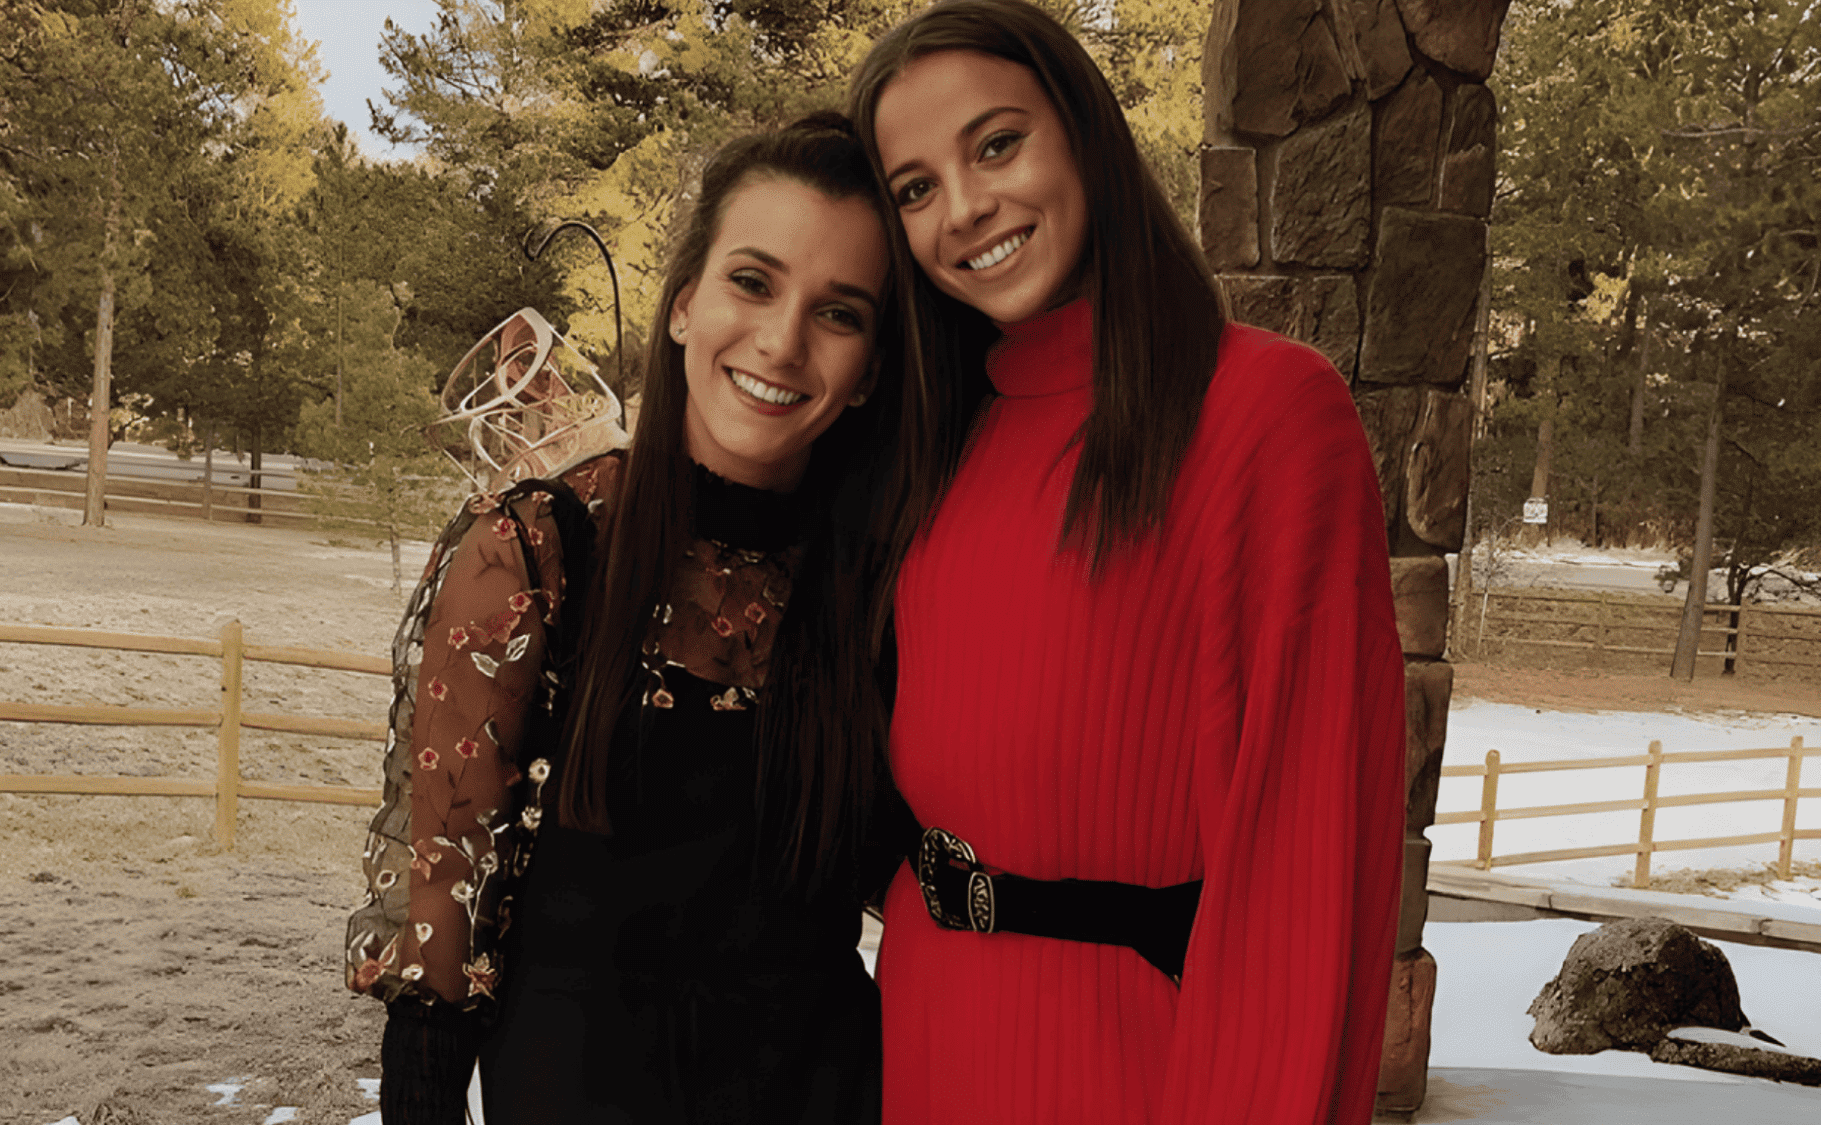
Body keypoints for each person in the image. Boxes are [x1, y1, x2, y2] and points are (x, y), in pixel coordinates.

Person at [846, 3, 1408, 1123]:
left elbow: (1304, 881)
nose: (963, 210)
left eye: (995, 144)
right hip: (928, 1031)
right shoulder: (936, 439)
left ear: (1084, 135)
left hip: (1133, 1062)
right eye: (913, 188)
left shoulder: (1264, 415)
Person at [345, 112, 908, 1125]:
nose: (781, 339)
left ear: (870, 368)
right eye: (753, 280)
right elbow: (441, 908)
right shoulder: (536, 549)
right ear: (684, 302)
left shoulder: (882, 581)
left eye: (839, 312)